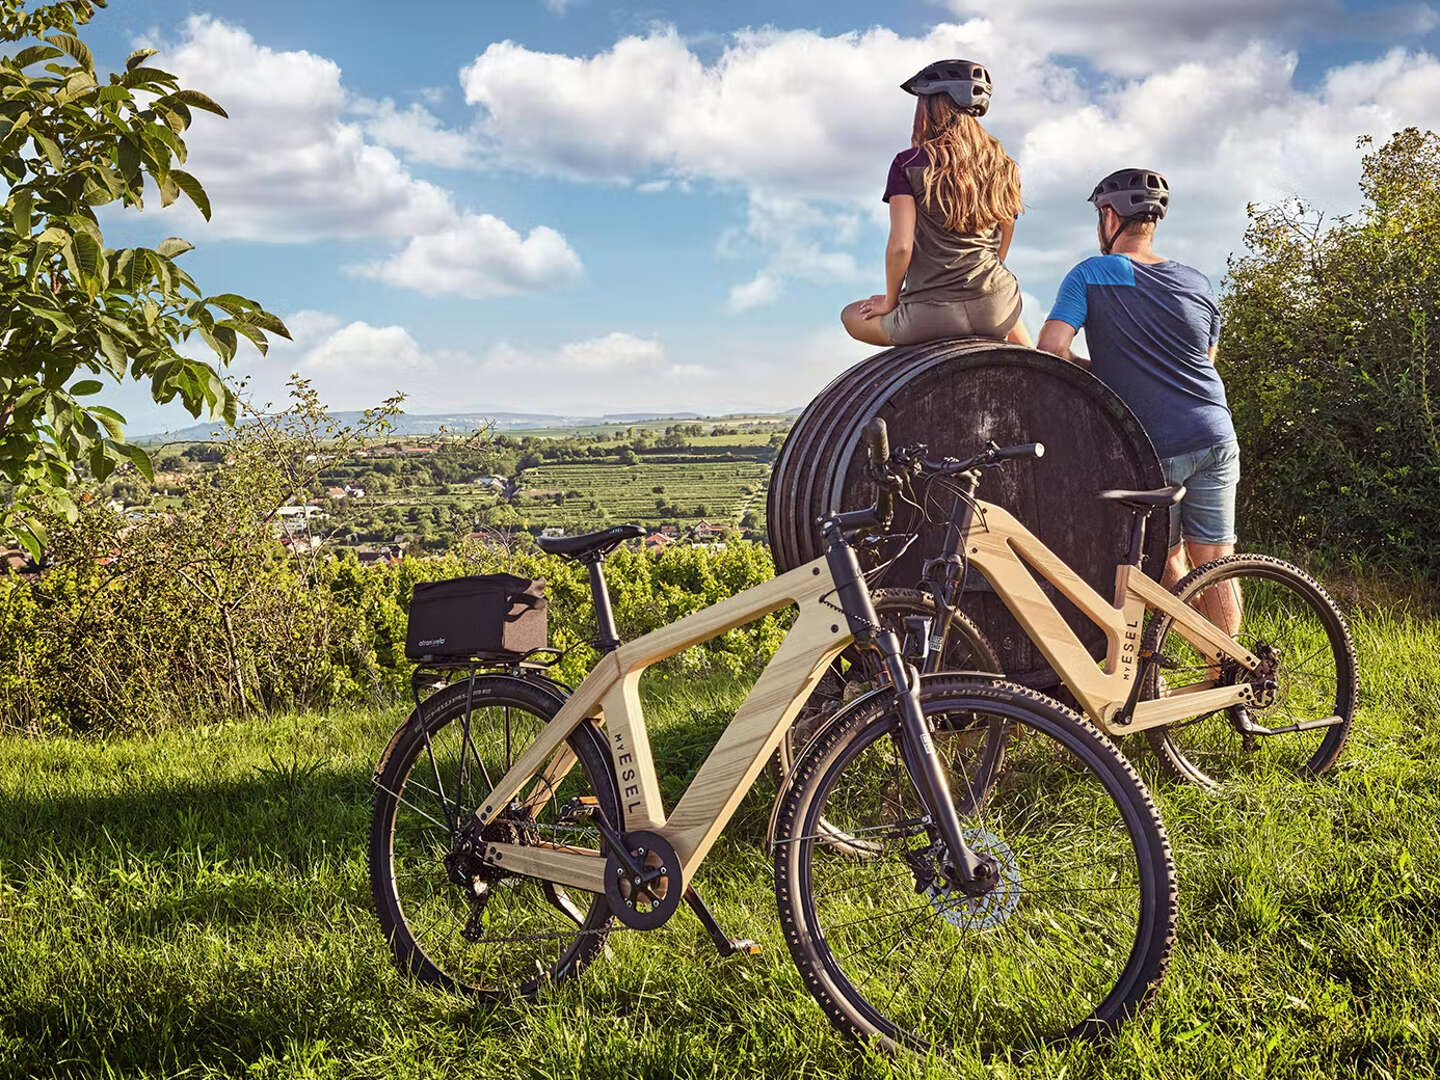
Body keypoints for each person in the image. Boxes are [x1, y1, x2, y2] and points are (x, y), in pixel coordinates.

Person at [1036, 169, 1240, 629]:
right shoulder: (1197, 282)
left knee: (1166, 564)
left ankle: (1167, 664)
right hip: (1214, 433)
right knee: (1217, 562)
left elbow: (1051, 347)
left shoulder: (1090, 273)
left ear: (1110, 216)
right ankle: (1228, 679)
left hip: (1156, 442)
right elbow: (1206, 359)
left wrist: (1103, 373)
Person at [842, 60, 1032, 349]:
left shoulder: (907, 163)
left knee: (850, 315)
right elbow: (1003, 240)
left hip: (929, 315)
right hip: (996, 308)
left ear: (933, 105)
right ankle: (1039, 363)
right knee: (1001, 300)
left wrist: (890, 301)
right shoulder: (1004, 166)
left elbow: (901, 246)